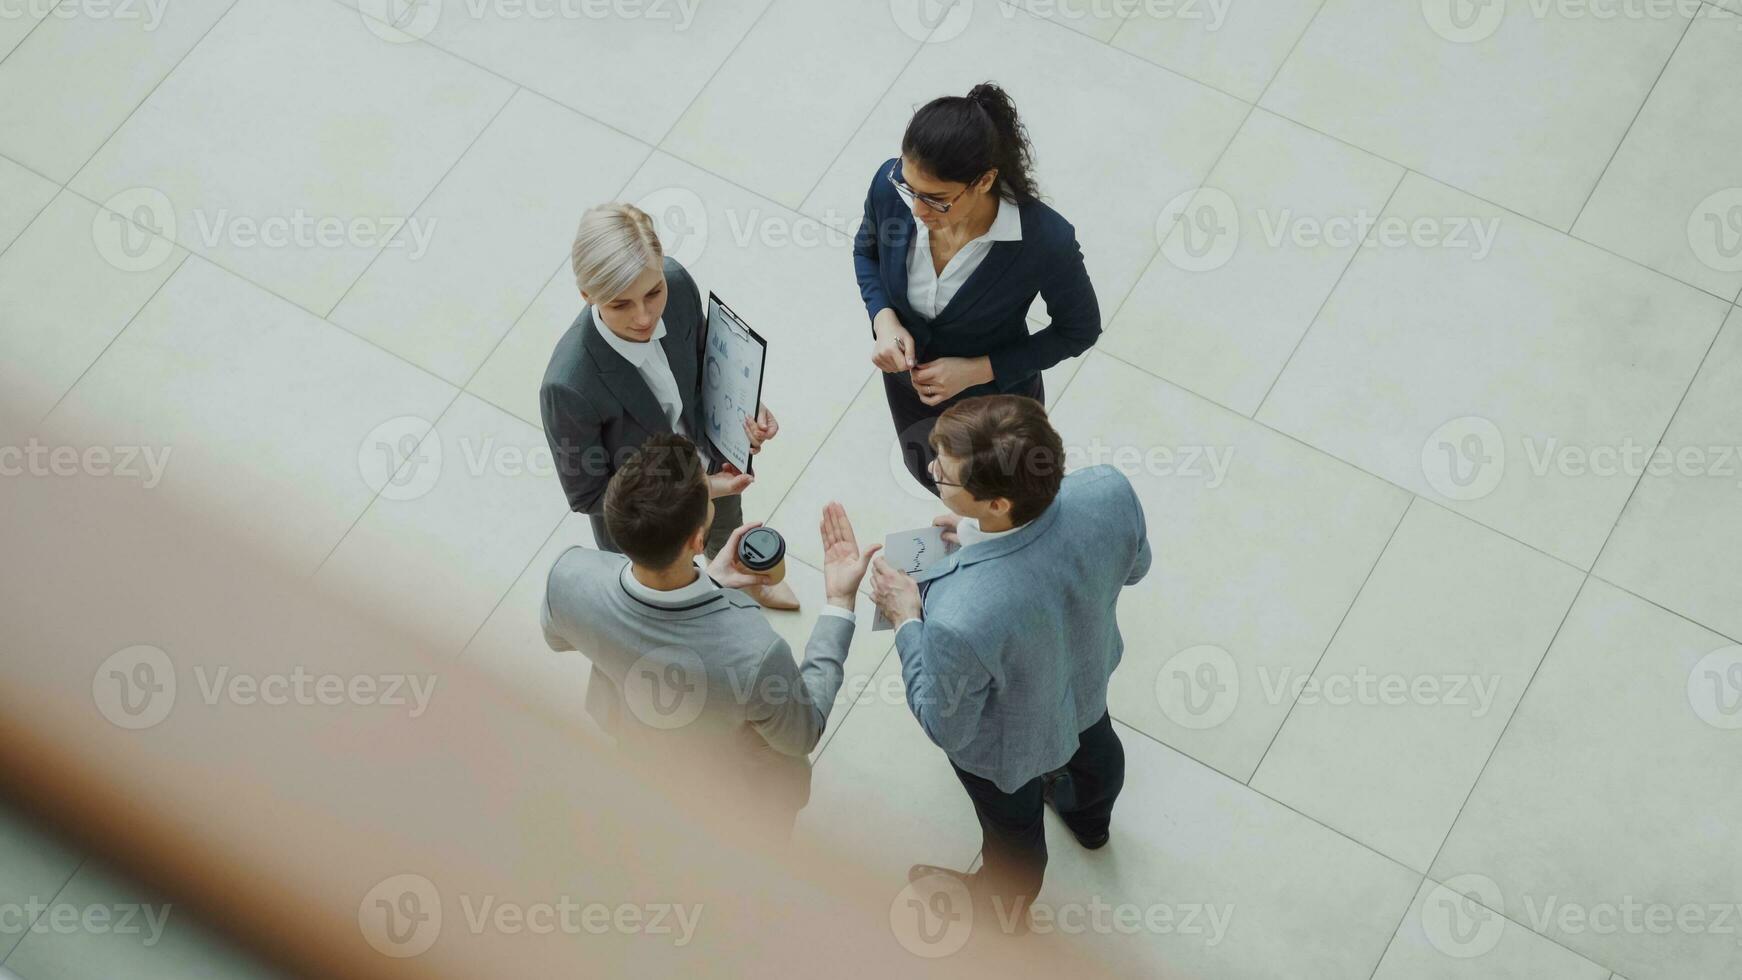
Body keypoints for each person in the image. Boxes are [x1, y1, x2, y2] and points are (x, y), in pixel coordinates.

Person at [866, 396, 1151, 925]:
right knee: (1096, 749)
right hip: (1086, 684)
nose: (931, 471)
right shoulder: (1109, 490)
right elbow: (1135, 569)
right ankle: (1092, 825)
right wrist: (975, 540)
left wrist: (907, 618)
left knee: (1013, 837)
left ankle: (1002, 912)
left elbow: (944, 724)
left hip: (1007, 749)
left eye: (944, 476)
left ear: (997, 503)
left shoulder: (955, 616)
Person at [542, 434, 881, 835]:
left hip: (638, 756)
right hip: (735, 800)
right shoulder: (755, 650)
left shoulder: (569, 575)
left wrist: (709, 581)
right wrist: (839, 601)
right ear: (698, 540)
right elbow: (800, 734)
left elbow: (558, 638)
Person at [542, 202, 798, 609]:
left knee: (725, 528)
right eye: (620, 304)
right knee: (670, 608)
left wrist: (744, 406)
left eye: (652, 292)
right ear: (587, 294)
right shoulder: (568, 386)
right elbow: (588, 494)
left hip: (711, 459)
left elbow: (702, 361)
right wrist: (695, 490)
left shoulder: (677, 285)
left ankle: (742, 576)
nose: (644, 317)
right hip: (648, 525)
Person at [852, 82, 1101, 496]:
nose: (916, 209)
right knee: (937, 483)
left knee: (999, 499)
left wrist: (977, 369)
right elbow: (867, 252)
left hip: (994, 409)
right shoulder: (889, 187)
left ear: (984, 181)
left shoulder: (1043, 240)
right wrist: (883, 317)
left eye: (937, 199)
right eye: (910, 188)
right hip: (910, 396)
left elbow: (1079, 330)